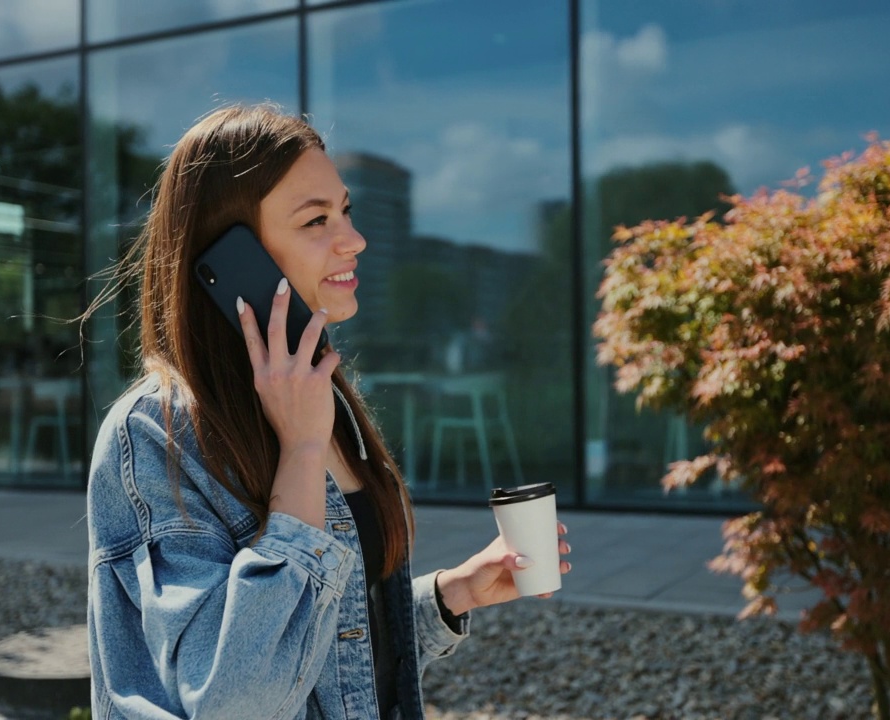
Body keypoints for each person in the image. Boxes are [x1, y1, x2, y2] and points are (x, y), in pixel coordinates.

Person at [83, 103, 572, 719]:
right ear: (232, 258)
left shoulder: (322, 399)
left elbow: (334, 663)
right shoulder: (155, 436)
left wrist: (449, 596)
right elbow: (237, 701)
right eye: (316, 220)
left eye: (346, 210)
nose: (355, 240)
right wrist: (302, 451)